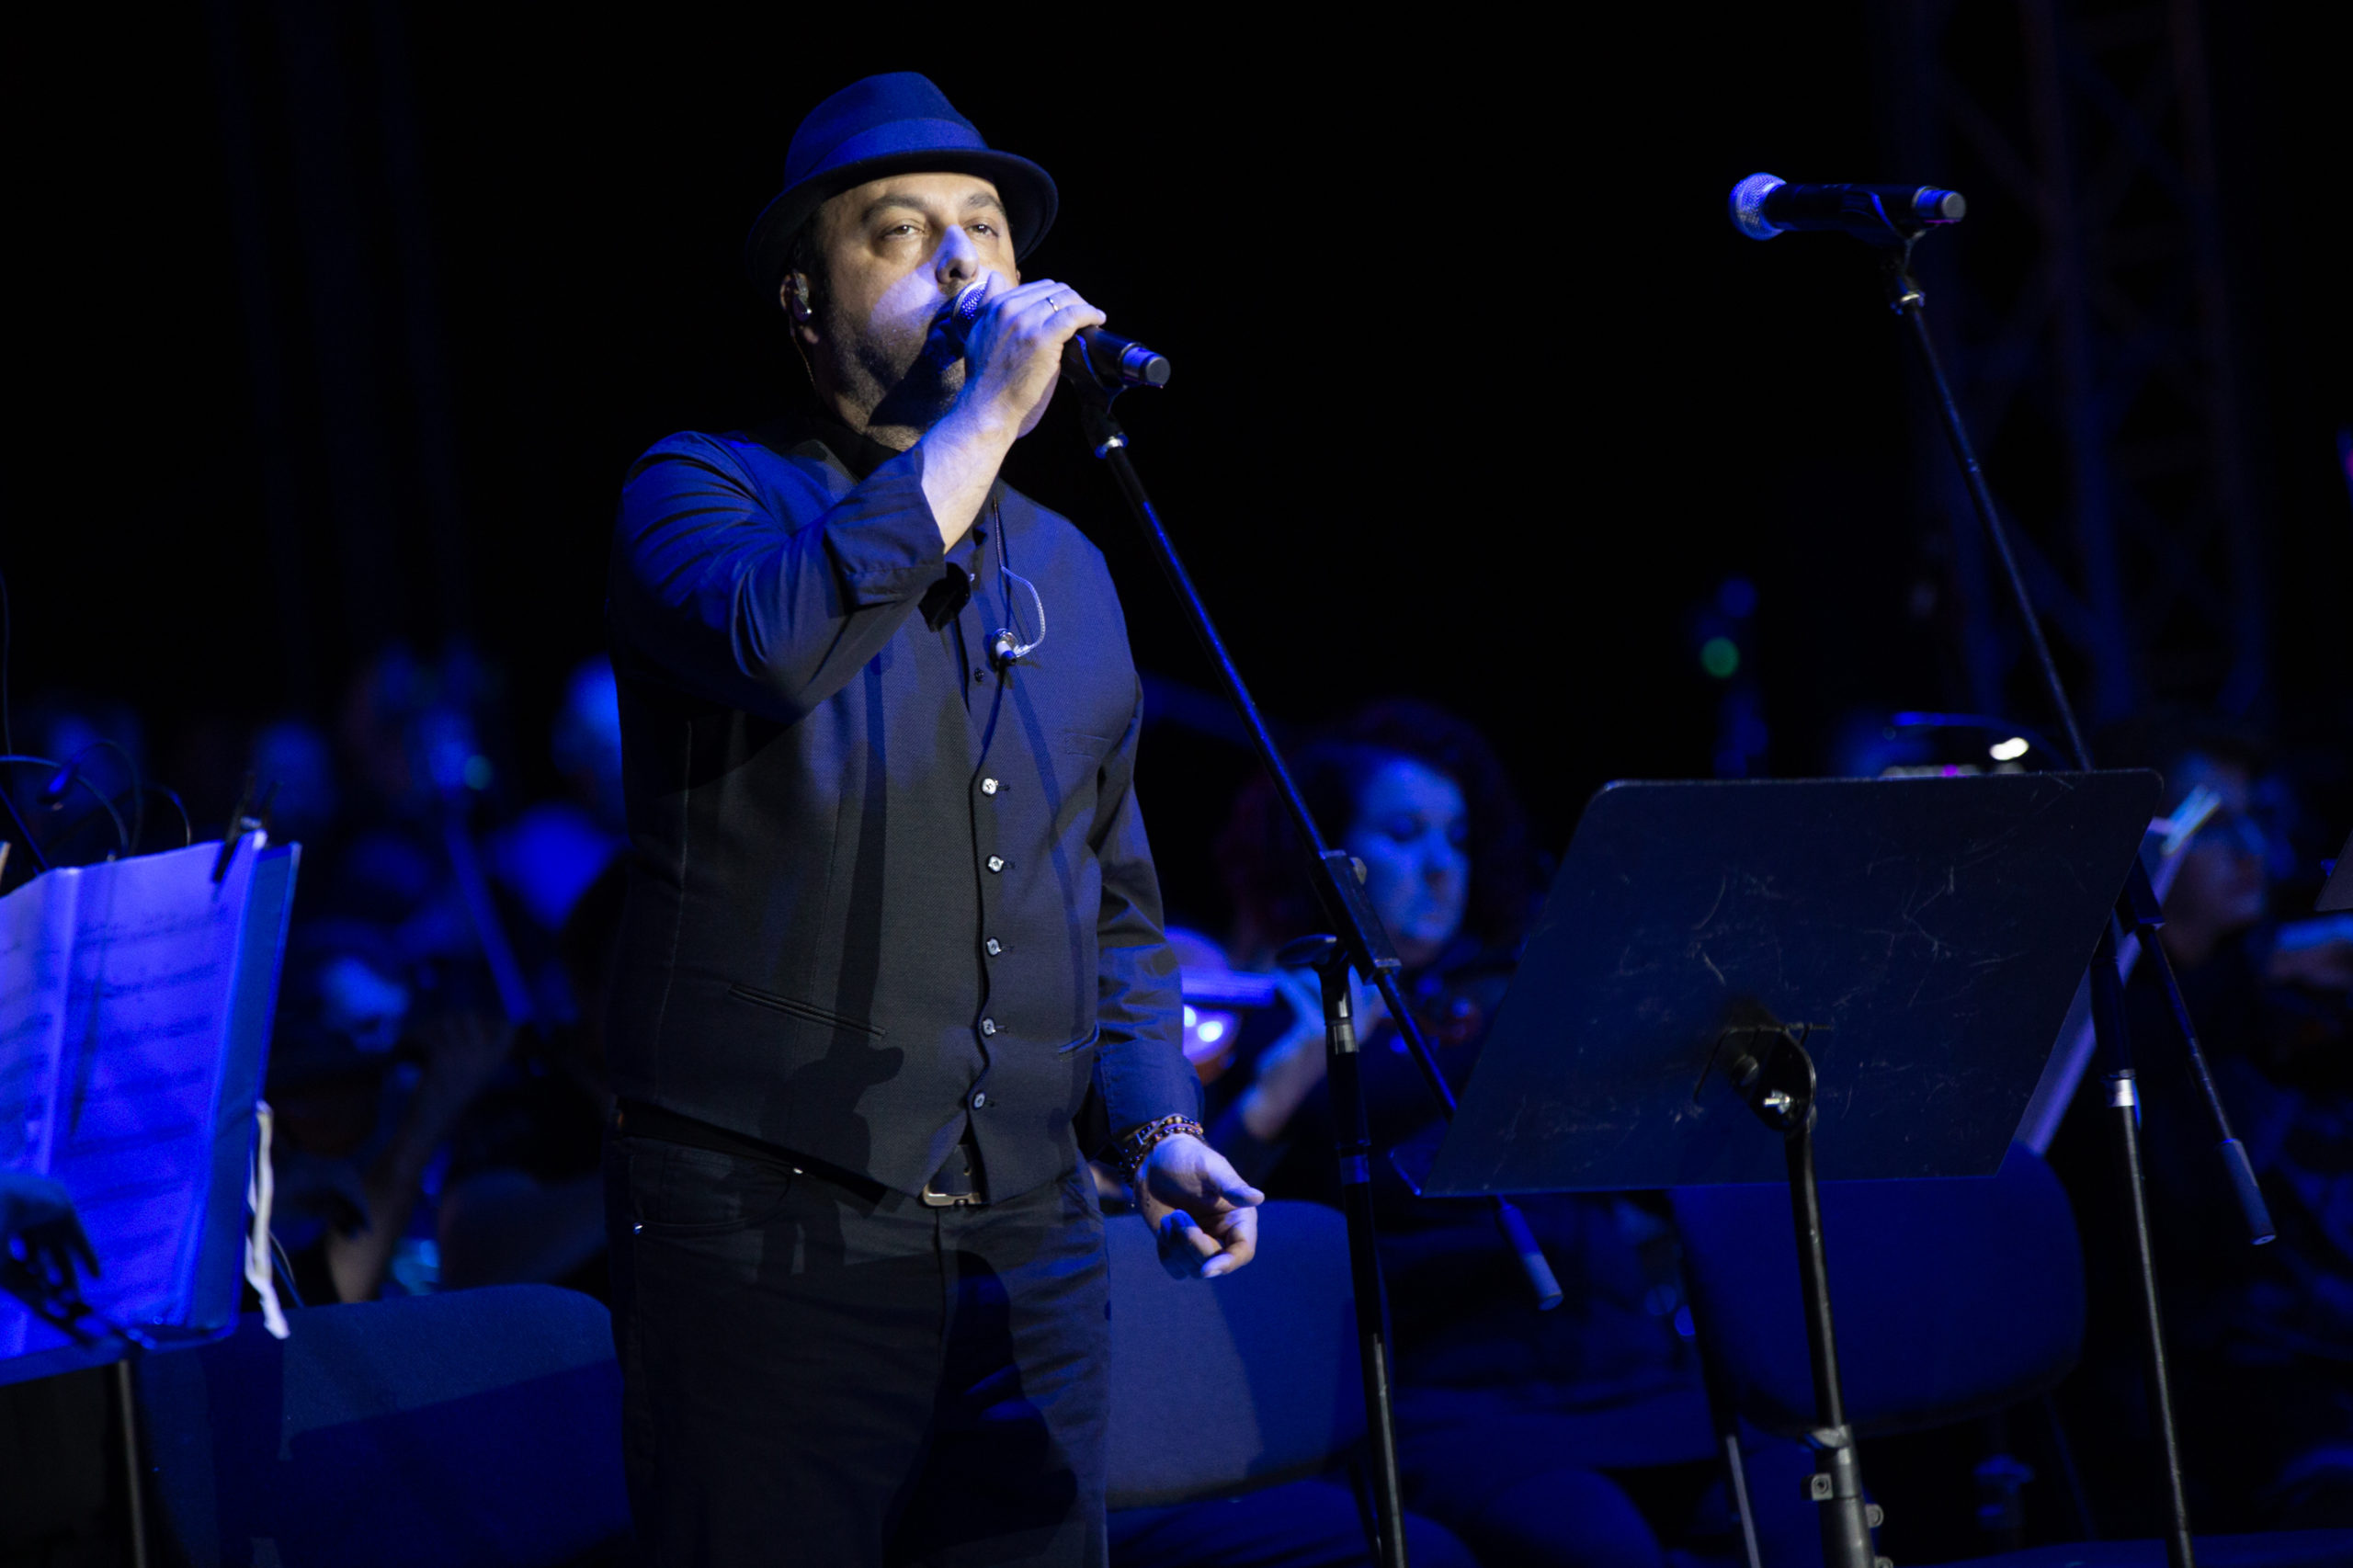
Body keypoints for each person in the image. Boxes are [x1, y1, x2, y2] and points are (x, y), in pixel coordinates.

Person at [603, 73, 1262, 1567]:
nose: (965, 261)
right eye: (902, 233)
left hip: (1034, 1238)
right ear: (803, 301)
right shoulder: (699, 493)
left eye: (987, 229)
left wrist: (1157, 1126)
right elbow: (775, 642)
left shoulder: (1071, 565)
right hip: (768, 1228)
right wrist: (978, 424)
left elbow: (1111, 900)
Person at [1208, 700, 1815, 1568]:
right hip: (1453, 1401)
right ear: (1330, 855)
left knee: (1804, 1520)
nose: (1439, 867)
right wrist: (1282, 1085)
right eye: (1403, 834)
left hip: (1628, 1372)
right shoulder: (1284, 1023)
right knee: (1600, 1549)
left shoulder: (1518, 997)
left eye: (1457, 840)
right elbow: (1212, 1208)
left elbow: (1655, 1171)